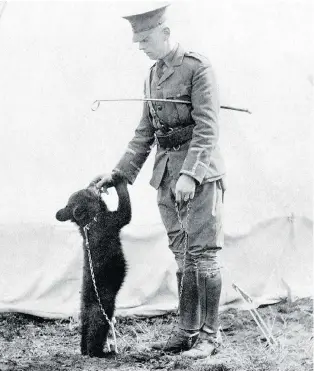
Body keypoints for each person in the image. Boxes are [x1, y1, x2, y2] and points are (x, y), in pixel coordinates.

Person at [94, 3, 226, 359]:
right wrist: (119, 173)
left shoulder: (198, 68)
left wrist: (190, 175)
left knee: (204, 256)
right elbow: (144, 132)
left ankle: (209, 338)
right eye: (138, 41)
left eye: (147, 38)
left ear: (166, 33)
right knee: (183, 256)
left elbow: (207, 128)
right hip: (166, 177)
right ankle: (186, 331)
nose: (142, 46)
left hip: (199, 177)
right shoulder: (152, 75)